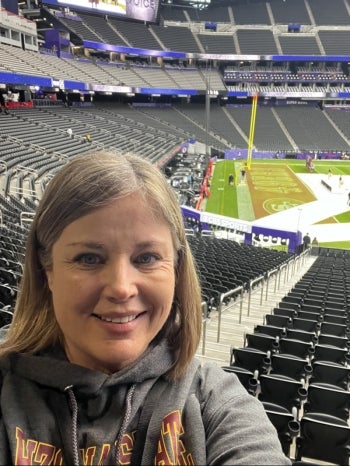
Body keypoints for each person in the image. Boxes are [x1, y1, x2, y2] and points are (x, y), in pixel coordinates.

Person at [0, 151, 291, 465]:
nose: (122, 287)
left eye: (147, 258)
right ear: (47, 271)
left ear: (177, 269)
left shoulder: (218, 405)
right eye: (88, 258)